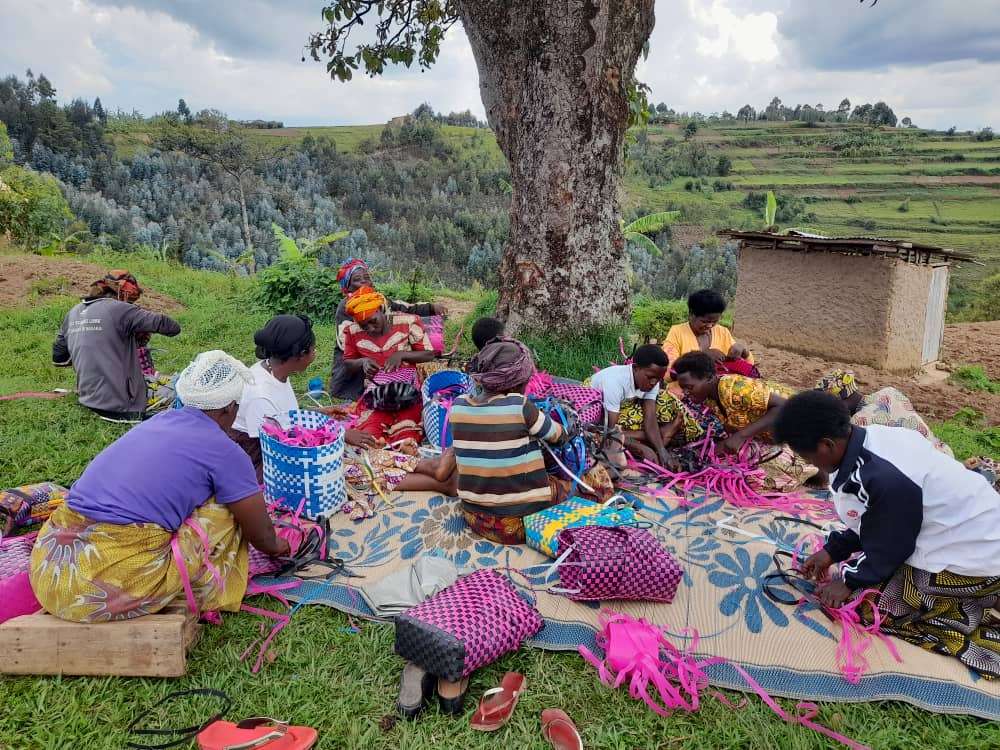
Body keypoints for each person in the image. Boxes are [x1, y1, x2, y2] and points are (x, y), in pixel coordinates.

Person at [29, 350, 289, 624]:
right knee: (225, 508)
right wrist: (281, 548)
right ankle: (209, 587)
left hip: (50, 570)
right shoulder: (226, 453)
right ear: (229, 408)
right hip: (99, 590)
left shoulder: (155, 422)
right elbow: (261, 535)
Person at [775, 391, 1000, 679]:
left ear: (826, 445)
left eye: (805, 455)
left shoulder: (882, 477)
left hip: (974, 554)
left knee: (869, 608)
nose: (810, 464)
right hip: (974, 531)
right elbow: (876, 519)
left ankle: (971, 601)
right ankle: (980, 593)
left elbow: (894, 542)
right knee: (879, 580)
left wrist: (849, 580)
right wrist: (833, 551)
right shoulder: (870, 439)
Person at [447, 338, 571, 545]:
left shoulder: (458, 406)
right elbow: (558, 436)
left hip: (475, 518)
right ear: (517, 382)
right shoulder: (520, 405)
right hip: (519, 525)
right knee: (589, 478)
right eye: (526, 381)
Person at [229, 315, 377, 482]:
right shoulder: (260, 395)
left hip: (277, 442)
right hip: (262, 460)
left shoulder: (275, 369)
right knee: (349, 472)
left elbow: (283, 415)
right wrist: (339, 434)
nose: (315, 353)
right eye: (313, 349)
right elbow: (282, 448)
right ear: (299, 355)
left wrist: (319, 413)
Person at [673, 351, 818, 488]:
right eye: (683, 388)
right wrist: (707, 454)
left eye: (689, 387)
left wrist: (741, 435)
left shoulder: (735, 388)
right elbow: (732, 430)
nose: (685, 392)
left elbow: (784, 407)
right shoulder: (708, 398)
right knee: (742, 466)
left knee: (766, 479)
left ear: (710, 378)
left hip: (805, 429)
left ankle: (816, 470)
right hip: (773, 436)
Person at [52, 270, 181, 423]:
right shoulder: (121, 310)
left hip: (88, 400)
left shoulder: (72, 313)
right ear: (124, 294)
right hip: (124, 408)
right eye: (131, 299)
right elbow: (172, 328)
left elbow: (59, 359)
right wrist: (138, 323)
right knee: (182, 385)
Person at [329, 258, 445, 399]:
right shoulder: (346, 308)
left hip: (382, 365)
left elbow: (403, 307)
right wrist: (374, 354)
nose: (364, 282)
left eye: (367, 277)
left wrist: (431, 308)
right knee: (364, 395)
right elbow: (345, 344)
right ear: (347, 286)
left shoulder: (379, 300)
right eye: (357, 279)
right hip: (357, 366)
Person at [342, 287, 435, 445]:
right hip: (377, 395)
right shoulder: (352, 331)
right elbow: (348, 363)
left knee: (407, 437)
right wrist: (362, 362)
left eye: (373, 321)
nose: (370, 328)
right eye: (365, 326)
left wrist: (402, 355)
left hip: (407, 391)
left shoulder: (407, 322)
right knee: (368, 437)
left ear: (380, 309)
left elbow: (429, 354)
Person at [816, 369, 953, 457]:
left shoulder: (859, 422)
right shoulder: (889, 392)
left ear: (840, 403)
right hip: (944, 453)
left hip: (926, 473)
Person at [590, 345, 689, 466]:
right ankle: (652, 434)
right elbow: (610, 430)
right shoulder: (614, 382)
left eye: (658, 379)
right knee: (602, 432)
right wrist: (640, 447)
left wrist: (661, 451)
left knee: (666, 402)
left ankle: (652, 435)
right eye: (650, 378)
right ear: (636, 368)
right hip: (598, 411)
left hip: (622, 406)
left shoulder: (653, 380)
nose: (654, 383)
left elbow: (650, 418)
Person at [662, 289, 754, 372]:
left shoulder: (722, 332)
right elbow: (668, 371)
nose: (710, 326)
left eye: (715, 321)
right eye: (704, 321)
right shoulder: (677, 332)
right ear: (691, 314)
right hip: (684, 390)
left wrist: (744, 352)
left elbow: (748, 366)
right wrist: (701, 356)